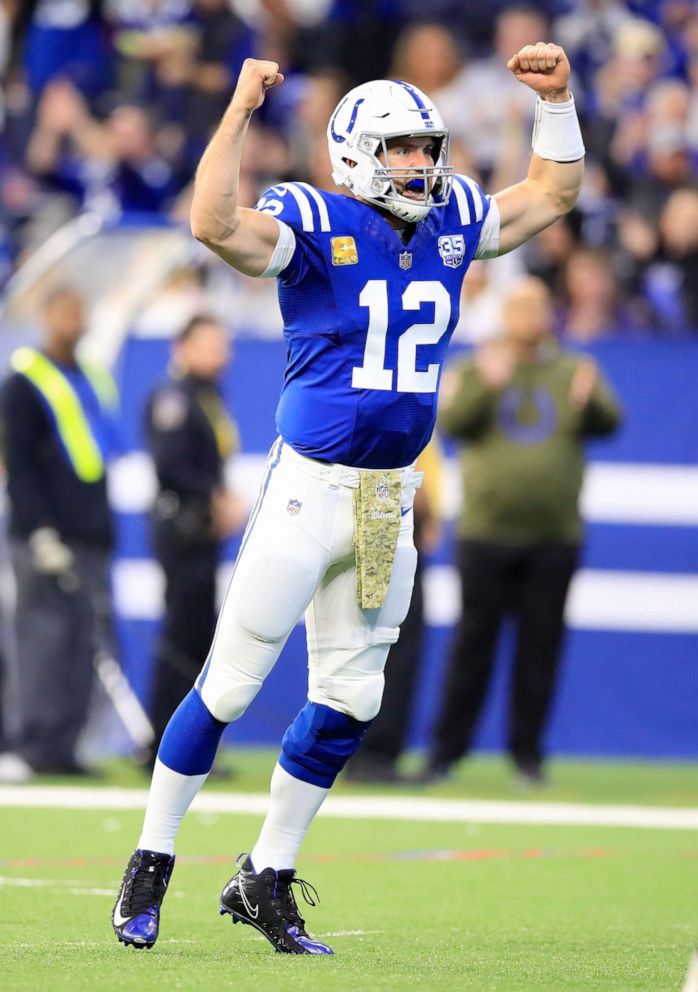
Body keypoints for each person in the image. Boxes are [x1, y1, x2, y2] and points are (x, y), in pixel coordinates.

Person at [112, 45, 586, 955]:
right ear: (359, 153)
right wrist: (240, 111)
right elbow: (212, 221)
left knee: (352, 696)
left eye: (427, 148)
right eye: (403, 148)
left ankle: (267, 875)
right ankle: (151, 856)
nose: (422, 164)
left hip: (386, 503)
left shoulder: (450, 221)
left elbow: (550, 195)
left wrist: (558, 102)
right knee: (232, 685)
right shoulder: (311, 215)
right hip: (308, 488)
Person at [418, 276, 622, 788]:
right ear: (504, 313)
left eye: (537, 305)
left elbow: (610, 423)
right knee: (472, 648)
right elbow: (452, 425)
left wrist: (590, 401)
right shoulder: (478, 366)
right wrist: (487, 385)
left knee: (540, 650)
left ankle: (527, 756)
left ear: (551, 312)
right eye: (519, 306)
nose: (528, 315)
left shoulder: (574, 369)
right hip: (486, 533)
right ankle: (445, 753)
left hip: (554, 536)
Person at [0, 286, 119, 779]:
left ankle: (66, 745)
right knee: (42, 638)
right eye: (68, 308)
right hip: (43, 536)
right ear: (47, 315)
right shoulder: (23, 383)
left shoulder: (89, 377)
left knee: (80, 640)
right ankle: (33, 743)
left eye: (82, 308)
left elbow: (99, 460)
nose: (78, 317)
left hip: (89, 531)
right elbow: (20, 465)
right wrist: (41, 530)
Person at [145, 313, 245, 761]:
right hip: (183, 529)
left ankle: (186, 746)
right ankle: (161, 744)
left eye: (223, 344)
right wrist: (214, 498)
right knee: (182, 636)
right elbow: (171, 465)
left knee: (199, 635)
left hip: (202, 530)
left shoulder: (210, 396)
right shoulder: (175, 397)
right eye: (209, 343)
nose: (221, 353)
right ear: (181, 348)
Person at [344, 440, 444, 784]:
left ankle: (363, 751)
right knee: (389, 641)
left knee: (386, 640)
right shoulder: (397, 401)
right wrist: (422, 504)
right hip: (385, 523)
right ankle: (372, 753)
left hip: (391, 523)